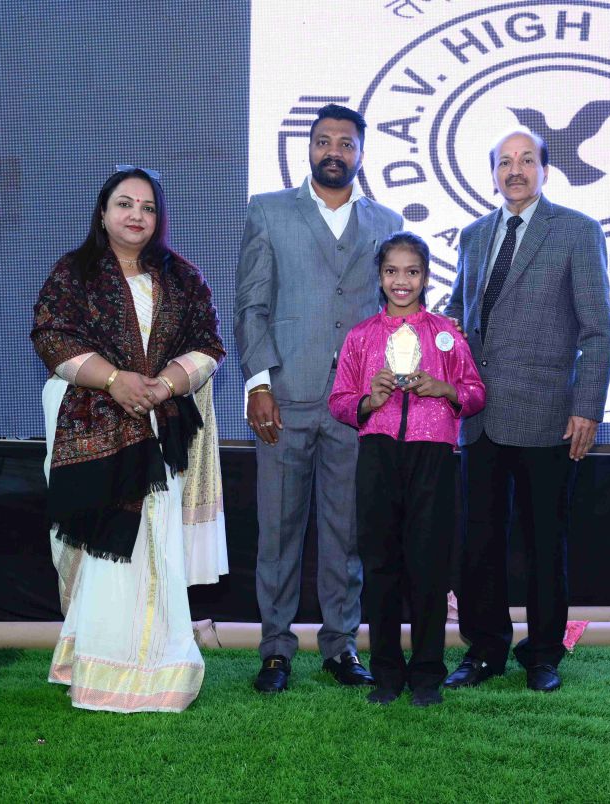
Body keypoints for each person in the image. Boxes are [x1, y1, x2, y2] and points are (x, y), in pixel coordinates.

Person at [31, 166, 229, 713]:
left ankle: (161, 673)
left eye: (148, 207)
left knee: (154, 542)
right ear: (102, 213)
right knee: (98, 547)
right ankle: (96, 668)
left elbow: (209, 344)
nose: (136, 215)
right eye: (124, 204)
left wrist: (162, 386)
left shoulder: (182, 278)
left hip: (161, 429)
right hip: (89, 428)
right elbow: (50, 336)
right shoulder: (74, 273)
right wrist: (115, 381)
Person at [235, 104, 404, 693]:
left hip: (358, 406)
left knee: (346, 532)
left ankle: (340, 647)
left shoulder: (387, 221)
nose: (335, 151)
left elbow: (394, 315)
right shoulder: (269, 210)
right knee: (278, 532)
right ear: (308, 148)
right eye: (323, 141)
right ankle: (275, 650)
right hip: (285, 398)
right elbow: (252, 306)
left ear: (362, 153)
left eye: (346, 143)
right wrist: (258, 384)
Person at [443, 128, 610, 693]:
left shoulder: (577, 231)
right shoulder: (473, 236)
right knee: (479, 543)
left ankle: (543, 654)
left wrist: (588, 407)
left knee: (544, 543)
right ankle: (484, 650)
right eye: (504, 162)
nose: (514, 171)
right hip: (477, 418)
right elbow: (457, 313)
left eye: (526, 160)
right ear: (492, 172)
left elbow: (598, 329)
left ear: (544, 169)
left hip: (549, 415)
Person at [329, 232, 485, 707]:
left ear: (426, 277)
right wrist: (368, 400)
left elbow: (476, 393)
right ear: (379, 277)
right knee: (380, 564)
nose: (402, 281)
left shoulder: (445, 335)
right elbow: (339, 401)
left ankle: (427, 674)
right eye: (392, 271)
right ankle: (386, 673)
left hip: (433, 456)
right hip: (378, 454)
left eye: (412, 271)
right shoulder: (361, 336)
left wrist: (444, 389)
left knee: (429, 565)